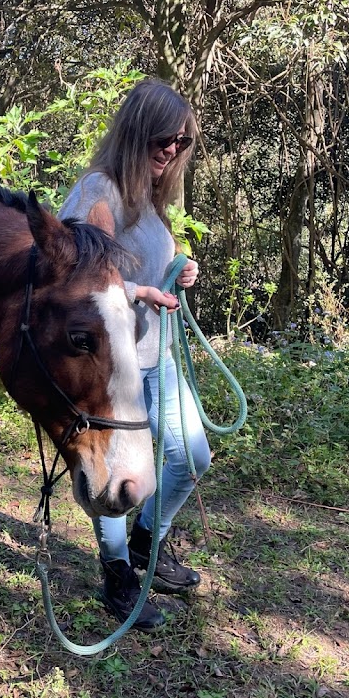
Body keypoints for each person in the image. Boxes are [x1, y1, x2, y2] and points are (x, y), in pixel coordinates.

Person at [59, 78, 211, 630]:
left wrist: (178, 269)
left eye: (180, 142)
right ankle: (118, 574)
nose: (171, 150)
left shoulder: (151, 202)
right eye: (162, 139)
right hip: (115, 367)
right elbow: (73, 281)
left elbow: (145, 265)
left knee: (192, 455)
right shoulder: (97, 191)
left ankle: (148, 542)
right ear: (136, 133)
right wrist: (138, 291)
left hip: (158, 355)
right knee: (115, 472)